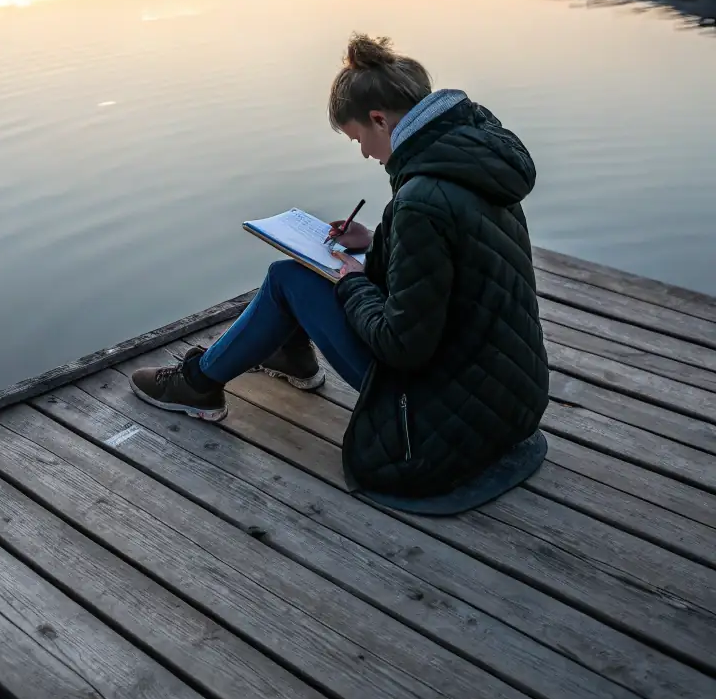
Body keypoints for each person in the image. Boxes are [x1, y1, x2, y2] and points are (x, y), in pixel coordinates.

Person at [131, 33, 550, 496]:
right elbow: (460, 259)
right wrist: (376, 241)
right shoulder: (475, 165)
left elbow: (400, 346)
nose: (367, 154)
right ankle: (288, 355)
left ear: (379, 119)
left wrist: (352, 281)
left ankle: (198, 384)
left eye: (360, 139)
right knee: (310, 274)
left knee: (287, 276)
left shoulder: (420, 200)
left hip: (441, 423)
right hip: (510, 404)